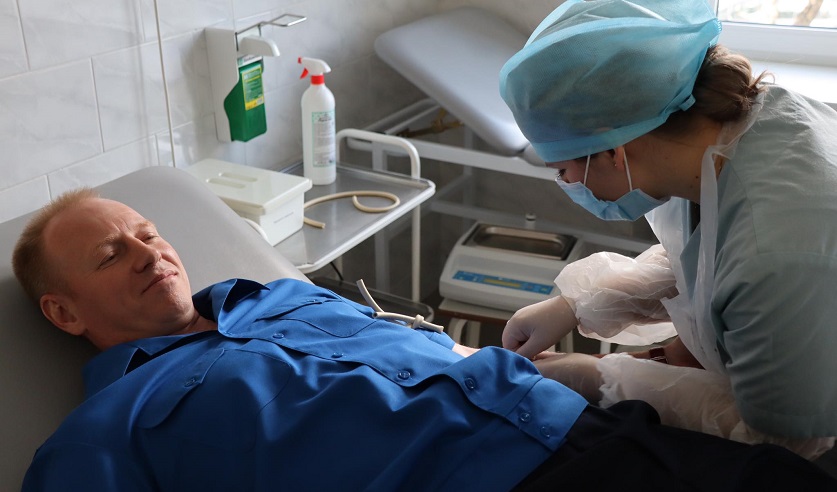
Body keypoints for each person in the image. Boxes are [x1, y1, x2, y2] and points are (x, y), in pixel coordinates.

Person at [12, 190, 837, 491]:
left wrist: (585, 372)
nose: (149, 254)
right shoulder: (107, 431)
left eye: (149, 233)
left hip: (586, 430)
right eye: (110, 255)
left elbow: (423, 354)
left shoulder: (276, 296)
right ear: (64, 313)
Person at [498, 0, 837, 460]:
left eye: (563, 170)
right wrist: (579, 303)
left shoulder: (779, 252)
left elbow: (783, 441)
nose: (568, 184)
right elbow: (711, 249)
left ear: (613, 152)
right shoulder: (707, 139)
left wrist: (601, 379)